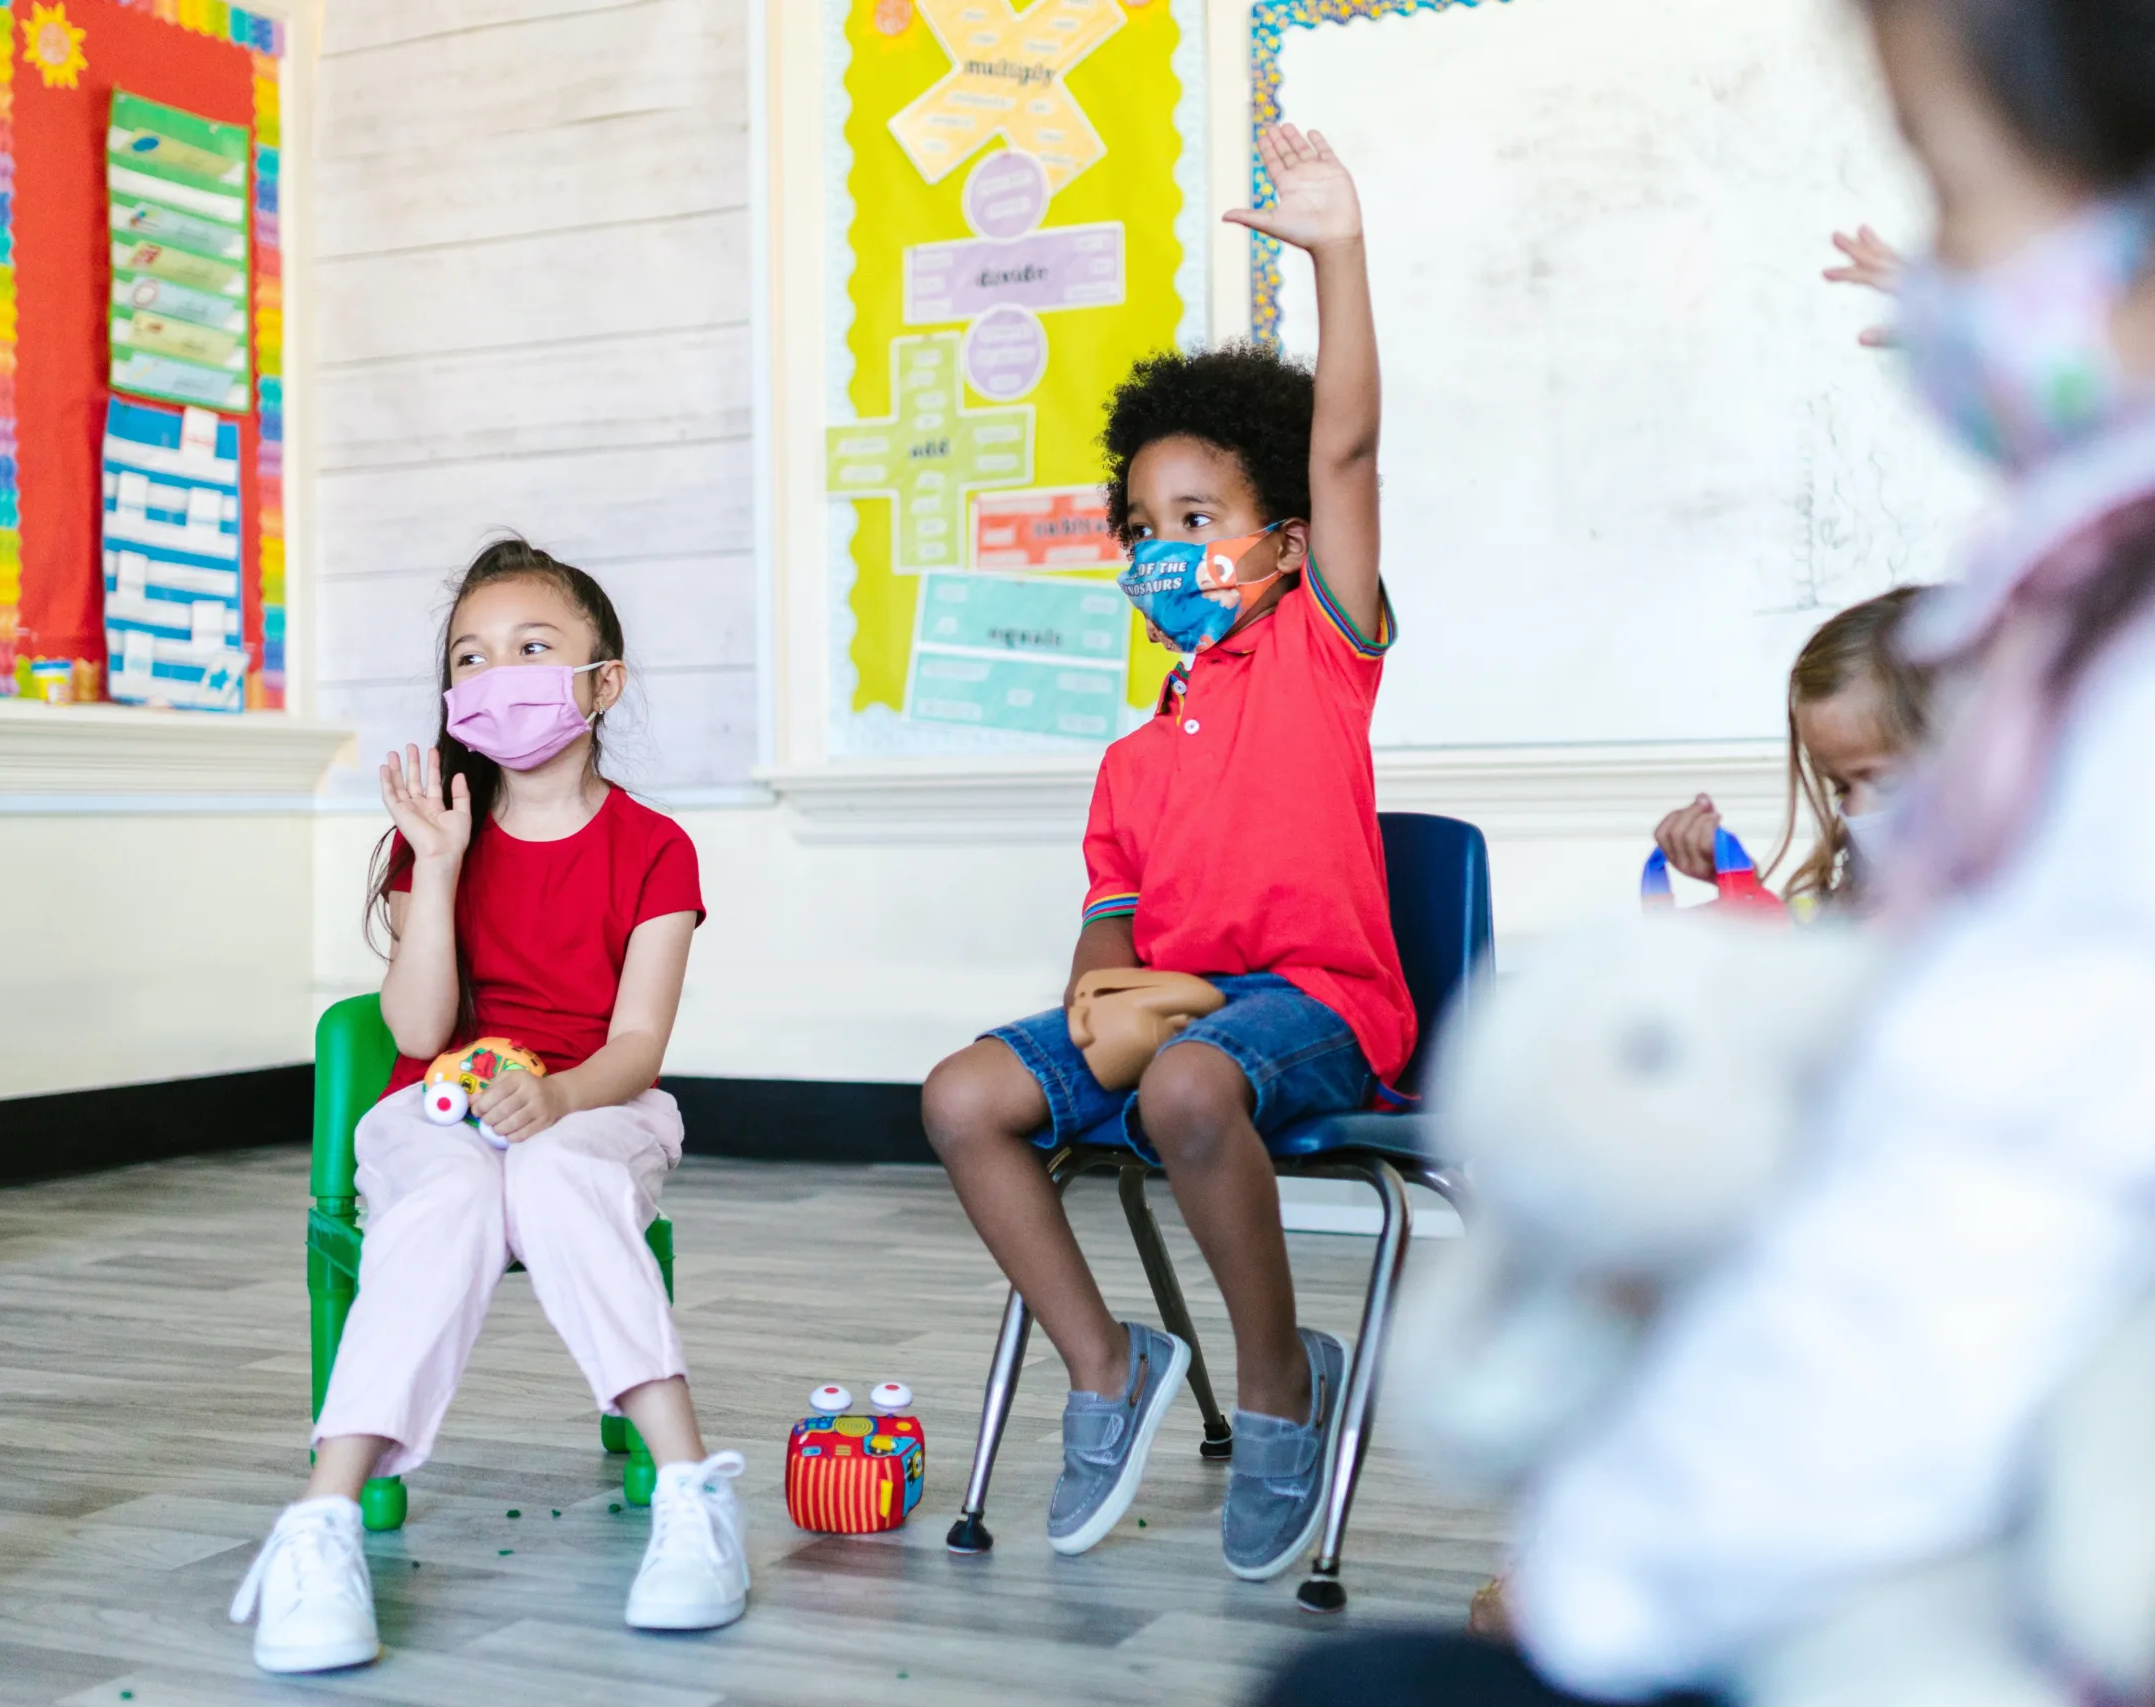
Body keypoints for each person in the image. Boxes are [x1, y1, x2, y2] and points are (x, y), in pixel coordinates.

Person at [1271, 0, 2155, 1699]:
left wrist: (1618, 1564)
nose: (1957, 277)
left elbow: (1972, 1249)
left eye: (1963, 197)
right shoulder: (2070, 602)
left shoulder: (2093, 687)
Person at [922, 122, 1413, 1582]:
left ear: (1285, 535)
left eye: (1198, 517)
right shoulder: (1137, 748)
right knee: (963, 1095)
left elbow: (1350, 439)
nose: (1159, 547)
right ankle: (1108, 1362)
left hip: (1318, 1007)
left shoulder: (1321, 651)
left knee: (1197, 1083)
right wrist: (1095, 990)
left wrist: (1338, 252)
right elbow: (1113, 910)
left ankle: (1278, 1385)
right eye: (1140, 524)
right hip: (1174, 1003)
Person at [229, 538, 741, 1674]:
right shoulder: (436, 839)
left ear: (603, 682)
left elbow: (638, 1047)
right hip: (438, 1107)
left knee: (559, 1172)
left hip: (595, 1102)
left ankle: (692, 1495)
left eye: (532, 647)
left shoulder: (656, 850)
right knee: (448, 1200)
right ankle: (322, 1522)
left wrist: (552, 1099)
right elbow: (415, 1036)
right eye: (473, 654)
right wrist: (442, 863)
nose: (498, 671)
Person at [1650, 584, 1933, 912]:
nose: (1854, 812)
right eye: (1842, 789)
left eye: (1887, 783)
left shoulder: (1989, 925)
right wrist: (1745, 894)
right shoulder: (1851, 901)